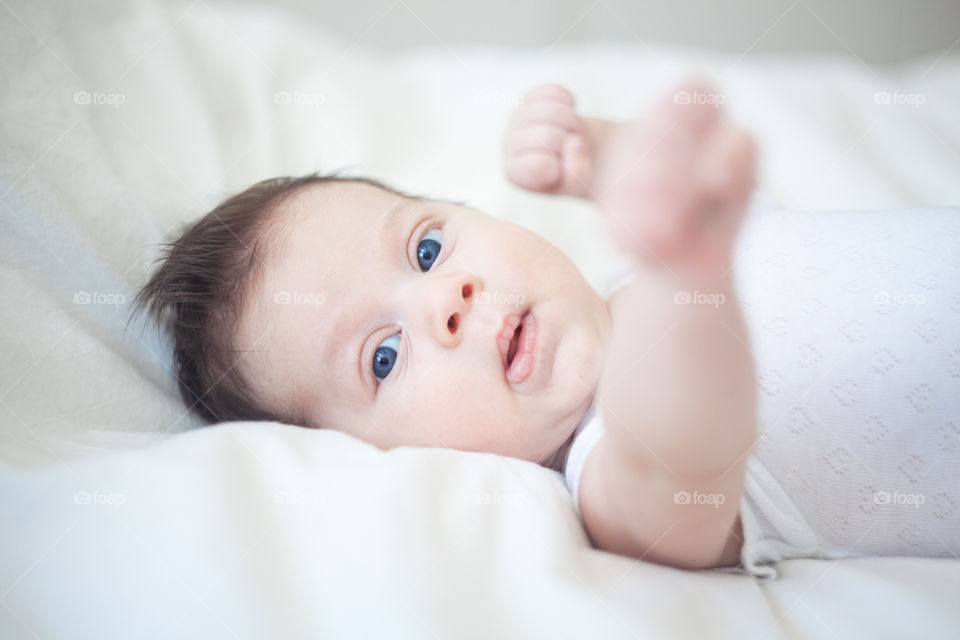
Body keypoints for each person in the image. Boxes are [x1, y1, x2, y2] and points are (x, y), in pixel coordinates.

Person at [136, 81, 960, 580]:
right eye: (383, 357)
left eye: (426, 247)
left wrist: (602, 159)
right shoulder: (607, 474)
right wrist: (687, 278)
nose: (445, 300)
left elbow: (705, 192)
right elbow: (684, 446)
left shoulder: (632, 270)